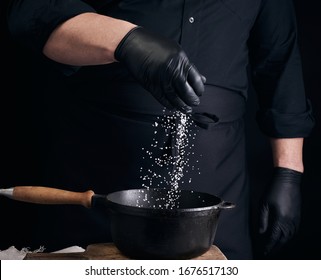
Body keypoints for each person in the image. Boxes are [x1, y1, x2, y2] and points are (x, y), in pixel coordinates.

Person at [6, 0, 315, 259]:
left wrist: (288, 171)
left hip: (218, 189)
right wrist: (126, 40)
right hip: (98, 173)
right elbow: (34, 12)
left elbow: (279, 63)